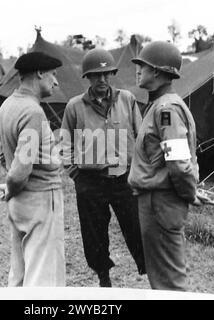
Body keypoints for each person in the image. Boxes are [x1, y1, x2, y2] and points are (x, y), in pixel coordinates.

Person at [60, 48, 146, 287]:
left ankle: (146, 268)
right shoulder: (75, 106)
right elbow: (65, 143)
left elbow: (141, 137)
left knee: (136, 226)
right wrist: (75, 173)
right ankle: (103, 277)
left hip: (123, 178)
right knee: (94, 234)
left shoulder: (126, 99)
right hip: (90, 181)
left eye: (107, 74)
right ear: (87, 77)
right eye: (96, 75)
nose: (102, 80)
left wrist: (138, 170)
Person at [128, 41, 205, 291]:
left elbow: (179, 163)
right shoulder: (161, 105)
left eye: (143, 66)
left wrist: (188, 194)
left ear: (159, 72)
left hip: (160, 202)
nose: (138, 71)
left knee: (168, 282)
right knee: (162, 278)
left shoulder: (166, 109)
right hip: (158, 200)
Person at [0, 51, 65, 287]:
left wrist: (11, 187)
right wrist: (14, 185)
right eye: (53, 74)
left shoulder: (6, 107)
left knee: (19, 275)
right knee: (43, 278)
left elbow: (6, 157)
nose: (56, 81)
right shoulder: (33, 111)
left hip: (19, 203)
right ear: (40, 73)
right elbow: (21, 170)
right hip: (40, 200)